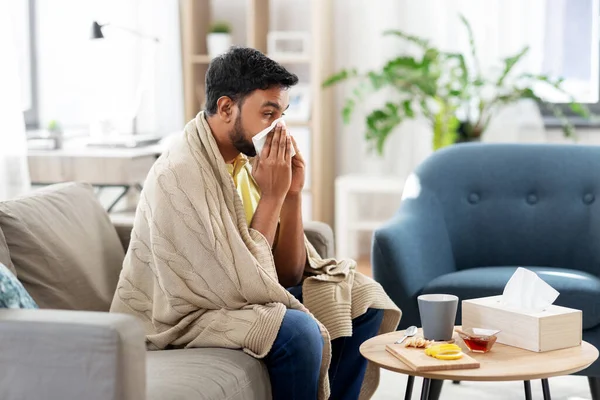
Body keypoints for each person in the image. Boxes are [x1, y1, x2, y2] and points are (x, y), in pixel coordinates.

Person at [111, 47, 401, 400]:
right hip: (189, 314)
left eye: (282, 115)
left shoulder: (247, 163)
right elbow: (240, 284)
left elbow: (288, 275)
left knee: (362, 297)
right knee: (297, 331)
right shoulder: (181, 173)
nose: (278, 128)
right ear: (226, 107)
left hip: (243, 294)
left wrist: (292, 195)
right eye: (268, 114)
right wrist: (272, 197)